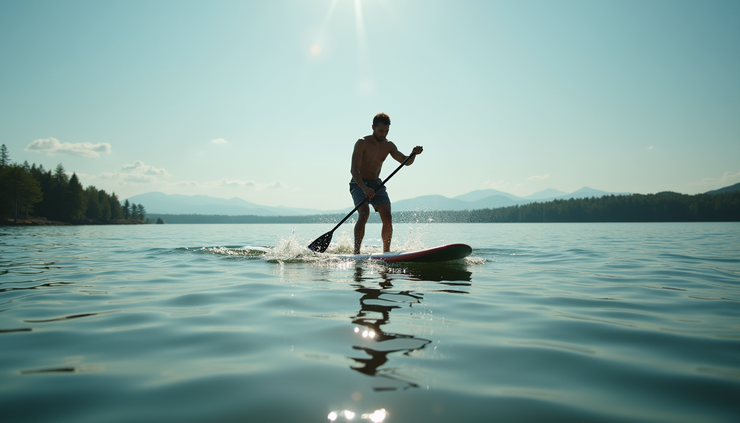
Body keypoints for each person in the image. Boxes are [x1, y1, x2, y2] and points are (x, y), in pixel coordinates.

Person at [350, 113, 423, 254]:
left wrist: (413, 154)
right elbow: (353, 170)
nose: (384, 134)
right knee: (364, 213)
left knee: (388, 217)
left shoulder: (388, 146)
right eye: (380, 131)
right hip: (359, 183)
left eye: (386, 131)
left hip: (376, 184)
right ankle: (356, 252)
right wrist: (364, 188)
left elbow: (405, 162)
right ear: (373, 127)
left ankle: (387, 252)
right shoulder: (362, 143)